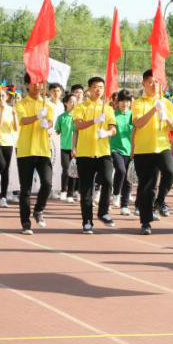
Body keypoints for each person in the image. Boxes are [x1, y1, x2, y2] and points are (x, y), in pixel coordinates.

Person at [131, 71, 173, 235]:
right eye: (150, 82)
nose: (154, 85)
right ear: (143, 83)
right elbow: (138, 123)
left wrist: (166, 117)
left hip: (162, 146)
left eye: (156, 82)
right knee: (147, 188)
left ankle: (160, 201)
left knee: (171, 171)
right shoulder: (138, 103)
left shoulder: (167, 103)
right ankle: (145, 222)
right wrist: (153, 110)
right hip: (143, 150)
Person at [71, 76, 116, 234]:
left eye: (101, 87)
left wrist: (107, 133)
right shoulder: (81, 107)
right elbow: (78, 125)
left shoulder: (108, 108)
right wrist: (94, 120)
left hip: (103, 152)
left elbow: (113, 128)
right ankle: (87, 221)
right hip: (85, 153)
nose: (98, 90)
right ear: (89, 89)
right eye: (96, 87)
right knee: (86, 189)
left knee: (108, 181)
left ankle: (103, 212)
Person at [14, 75, 55, 234]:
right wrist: (38, 116)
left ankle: (38, 210)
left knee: (47, 183)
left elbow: (51, 121)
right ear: (26, 85)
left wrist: (47, 123)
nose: (37, 86)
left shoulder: (47, 105)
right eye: (33, 83)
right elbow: (23, 121)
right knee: (26, 189)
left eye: (39, 83)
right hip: (25, 150)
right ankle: (26, 223)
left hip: (43, 150)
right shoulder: (21, 104)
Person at [0, 85, 19, 208]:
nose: (1, 97)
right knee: (1, 164)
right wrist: (2, 110)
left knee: (5, 171)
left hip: (8, 142)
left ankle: (3, 197)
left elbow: (16, 128)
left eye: (3, 95)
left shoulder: (11, 109)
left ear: (7, 97)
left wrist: (14, 115)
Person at [109, 90, 134, 217]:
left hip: (130, 151)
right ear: (117, 102)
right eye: (122, 101)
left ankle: (124, 206)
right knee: (121, 171)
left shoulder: (133, 116)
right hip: (115, 149)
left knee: (128, 178)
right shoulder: (113, 115)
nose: (125, 104)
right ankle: (116, 195)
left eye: (127, 101)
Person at [57, 92, 79, 201]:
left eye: (75, 101)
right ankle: (63, 191)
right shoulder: (61, 117)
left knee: (73, 170)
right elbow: (57, 131)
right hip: (64, 148)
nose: (73, 104)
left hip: (76, 148)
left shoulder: (78, 117)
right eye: (71, 101)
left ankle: (70, 194)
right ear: (66, 103)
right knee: (66, 169)